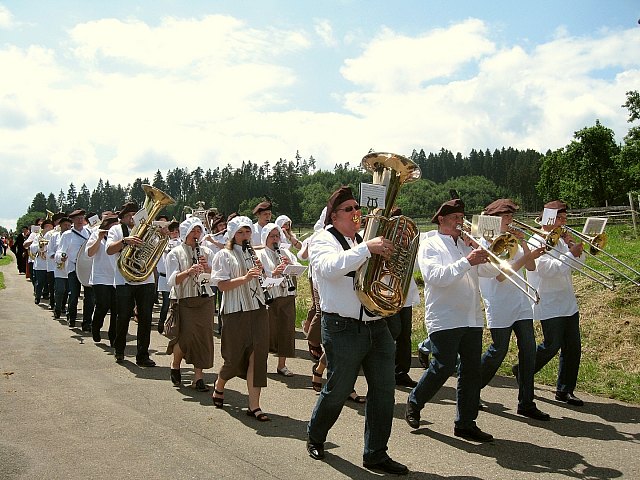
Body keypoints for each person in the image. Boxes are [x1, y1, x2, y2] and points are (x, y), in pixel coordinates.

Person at [306, 186, 408, 475]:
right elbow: (328, 268)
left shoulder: (364, 238)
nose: (356, 213)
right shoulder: (323, 240)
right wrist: (367, 249)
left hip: (377, 324)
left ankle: (375, 453)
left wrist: (391, 253)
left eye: (356, 208)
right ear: (334, 215)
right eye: (349, 209)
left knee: (384, 392)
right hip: (342, 327)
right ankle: (315, 435)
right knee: (337, 390)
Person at [405, 198, 494, 443]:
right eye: (455, 218)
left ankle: (465, 423)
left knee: (471, 371)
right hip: (444, 316)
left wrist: (488, 252)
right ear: (441, 220)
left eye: (462, 217)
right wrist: (468, 260)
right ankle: (415, 400)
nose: (460, 222)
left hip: (471, 316)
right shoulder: (430, 244)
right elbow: (435, 277)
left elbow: (490, 272)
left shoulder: (467, 244)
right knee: (442, 366)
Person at [476, 199, 550, 420]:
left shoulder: (511, 240)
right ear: (494, 219)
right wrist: (526, 256)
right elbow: (499, 276)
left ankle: (526, 402)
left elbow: (531, 267)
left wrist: (525, 244)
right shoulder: (486, 242)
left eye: (510, 217)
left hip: (521, 302)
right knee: (498, 350)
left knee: (529, 351)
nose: (510, 221)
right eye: (506, 217)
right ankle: (471, 387)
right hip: (499, 303)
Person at [518, 200, 586, 407]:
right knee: (551, 345)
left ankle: (565, 390)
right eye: (560, 219)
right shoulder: (537, 240)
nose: (564, 223)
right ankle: (523, 370)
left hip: (567, 299)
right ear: (549, 218)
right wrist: (569, 254)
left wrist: (575, 249)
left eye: (565, 219)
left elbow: (578, 265)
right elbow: (545, 270)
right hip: (547, 299)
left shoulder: (562, 239)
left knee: (573, 347)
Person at [211, 216, 271, 421]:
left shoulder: (254, 254)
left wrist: (265, 275)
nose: (245, 236)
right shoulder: (224, 255)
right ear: (232, 234)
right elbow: (221, 285)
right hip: (235, 310)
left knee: (258, 357)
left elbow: (263, 280)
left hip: (258, 309)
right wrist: (245, 278)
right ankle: (220, 382)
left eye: (247, 232)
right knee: (234, 357)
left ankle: (254, 406)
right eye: (241, 233)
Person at [165, 217, 216, 392]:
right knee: (186, 337)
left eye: (198, 231)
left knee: (203, 338)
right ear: (186, 232)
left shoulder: (207, 252)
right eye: (193, 231)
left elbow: (217, 276)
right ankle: (175, 364)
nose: (196, 235)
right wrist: (188, 271)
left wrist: (207, 268)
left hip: (205, 299)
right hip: (184, 299)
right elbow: (171, 280)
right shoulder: (175, 253)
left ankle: (198, 378)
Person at [106, 201, 157, 367]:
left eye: (134, 215)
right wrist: (125, 241)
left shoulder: (148, 230)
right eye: (128, 216)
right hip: (124, 280)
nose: (132, 218)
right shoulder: (116, 230)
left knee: (145, 319)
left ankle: (142, 354)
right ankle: (119, 350)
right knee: (123, 317)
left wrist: (161, 234)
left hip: (145, 279)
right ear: (122, 218)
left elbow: (156, 251)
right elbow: (109, 250)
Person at [258, 222, 299, 376]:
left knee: (286, 331)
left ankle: (282, 365)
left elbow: (297, 268)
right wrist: (273, 272)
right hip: (270, 297)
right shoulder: (260, 254)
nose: (275, 239)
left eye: (277, 236)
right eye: (272, 236)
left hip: (287, 296)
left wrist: (289, 266)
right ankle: (262, 364)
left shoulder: (285, 253)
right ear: (265, 238)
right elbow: (260, 275)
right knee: (268, 332)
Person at [56, 209, 94, 330]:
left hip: (87, 268)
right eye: (77, 218)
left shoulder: (89, 232)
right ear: (72, 220)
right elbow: (60, 251)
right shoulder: (67, 235)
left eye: (82, 218)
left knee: (90, 297)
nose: (80, 220)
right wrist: (61, 257)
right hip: (73, 267)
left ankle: (87, 322)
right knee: (73, 295)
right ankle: (71, 317)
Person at [87, 213, 119, 345]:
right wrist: (99, 239)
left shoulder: (119, 235)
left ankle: (113, 337)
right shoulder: (96, 234)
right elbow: (89, 253)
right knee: (103, 305)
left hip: (117, 276)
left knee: (116, 309)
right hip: (100, 277)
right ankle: (96, 327)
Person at [157, 220, 181, 334]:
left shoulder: (181, 243)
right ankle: (161, 321)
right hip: (165, 277)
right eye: (173, 231)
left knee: (176, 303)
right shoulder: (164, 242)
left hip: (178, 277)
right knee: (166, 303)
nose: (175, 234)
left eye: (177, 231)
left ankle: (173, 324)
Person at [50, 217, 72, 320]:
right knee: (59, 290)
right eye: (65, 225)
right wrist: (58, 257)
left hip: (70, 267)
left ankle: (63, 307)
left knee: (68, 291)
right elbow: (50, 250)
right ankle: (57, 308)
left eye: (69, 225)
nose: (67, 227)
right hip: (59, 267)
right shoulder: (55, 236)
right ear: (60, 226)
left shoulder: (73, 235)